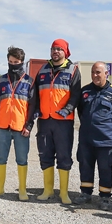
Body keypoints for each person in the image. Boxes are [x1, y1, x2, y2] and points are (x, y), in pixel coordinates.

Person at [34, 39, 81, 204]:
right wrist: (36, 110)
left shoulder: (73, 70)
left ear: (65, 52)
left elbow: (76, 95)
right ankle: (47, 190)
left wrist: (68, 109)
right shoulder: (43, 69)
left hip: (63, 121)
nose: (55, 52)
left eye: (59, 49)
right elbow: (35, 92)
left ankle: (63, 193)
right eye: (53, 49)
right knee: (45, 154)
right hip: (45, 120)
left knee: (64, 155)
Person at [0, 46, 36, 201]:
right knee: (0, 158)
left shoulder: (29, 81)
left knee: (22, 159)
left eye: (16, 62)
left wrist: (29, 126)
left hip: (21, 128)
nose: (12, 64)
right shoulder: (1, 80)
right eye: (10, 61)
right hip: (2, 126)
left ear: (21, 62)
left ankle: (22, 190)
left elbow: (33, 107)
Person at [72, 62, 112, 211]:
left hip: (106, 139)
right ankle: (85, 193)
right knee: (85, 166)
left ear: (106, 74)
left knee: (105, 168)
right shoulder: (85, 91)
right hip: (86, 138)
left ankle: (105, 197)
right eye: (93, 72)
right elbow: (80, 112)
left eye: (98, 72)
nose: (95, 75)